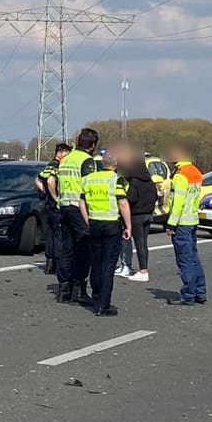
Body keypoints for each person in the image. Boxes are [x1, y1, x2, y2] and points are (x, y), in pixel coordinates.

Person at [80, 153, 131, 316]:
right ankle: (104, 304)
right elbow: (123, 203)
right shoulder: (117, 179)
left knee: (96, 262)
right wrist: (128, 226)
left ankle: (95, 298)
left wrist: (87, 219)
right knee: (108, 265)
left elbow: (82, 201)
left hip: (94, 222)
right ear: (115, 164)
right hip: (111, 224)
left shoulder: (89, 179)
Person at [54, 128, 98, 304]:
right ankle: (78, 289)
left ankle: (64, 289)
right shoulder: (87, 161)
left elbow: (57, 183)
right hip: (79, 208)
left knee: (67, 249)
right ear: (93, 145)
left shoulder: (66, 159)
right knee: (83, 249)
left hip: (63, 206)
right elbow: (90, 186)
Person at [165, 146, 207, 306]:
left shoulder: (181, 175)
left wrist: (171, 224)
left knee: (185, 260)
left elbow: (178, 202)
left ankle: (188, 294)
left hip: (182, 222)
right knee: (194, 258)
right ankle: (200, 292)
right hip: (192, 220)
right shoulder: (195, 171)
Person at [117, 153, 156, 284]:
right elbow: (156, 196)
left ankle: (143, 271)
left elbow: (131, 198)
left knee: (139, 244)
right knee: (143, 243)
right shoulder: (149, 180)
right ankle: (143, 268)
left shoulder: (134, 181)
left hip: (137, 215)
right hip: (148, 214)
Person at [37, 142, 69, 275]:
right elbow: (50, 181)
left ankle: (49, 262)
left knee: (50, 232)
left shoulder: (49, 164)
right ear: (61, 152)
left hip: (48, 204)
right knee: (58, 234)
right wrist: (55, 196)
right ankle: (57, 263)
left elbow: (38, 180)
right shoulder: (57, 165)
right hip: (55, 205)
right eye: (67, 154)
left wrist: (45, 192)